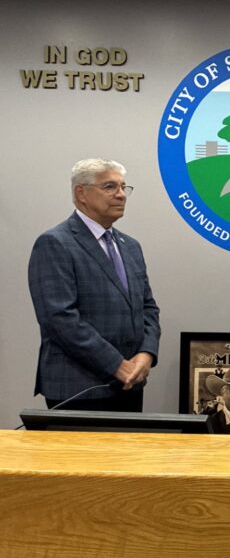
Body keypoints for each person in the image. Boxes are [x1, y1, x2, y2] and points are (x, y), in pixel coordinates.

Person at [28, 158, 160, 411]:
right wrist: (117, 365)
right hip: (78, 388)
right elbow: (59, 319)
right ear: (81, 193)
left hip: (130, 385)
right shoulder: (55, 243)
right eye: (110, 187)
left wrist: (146, 354)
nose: (121, 195)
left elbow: (148, 308)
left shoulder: (130, 246)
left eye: (124, 187)